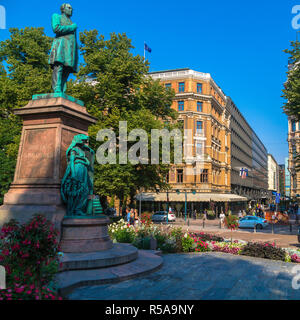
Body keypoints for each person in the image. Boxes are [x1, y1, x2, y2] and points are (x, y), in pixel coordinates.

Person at [49, 3, 78, 93]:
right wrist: (71, 27)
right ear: (63, 9)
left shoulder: (72, 22)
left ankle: (62, 89)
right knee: (59, 66)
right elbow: (56, 28)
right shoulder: (56, 16)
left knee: (67, 69)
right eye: (69, 8)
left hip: (70, 48)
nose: (71, 9)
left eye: (71, 8)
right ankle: (57, 88)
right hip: (61, 45)